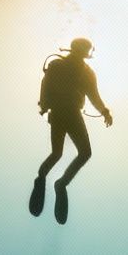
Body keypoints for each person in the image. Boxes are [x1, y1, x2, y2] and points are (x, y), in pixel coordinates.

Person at [29, 37, 112, 224]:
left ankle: (54, 181)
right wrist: (45, 106)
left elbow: (93, 96)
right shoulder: (61, 65)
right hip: (62, 112)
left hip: (67, 112)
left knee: (69, 153)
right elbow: (46, 85)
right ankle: (50, 180)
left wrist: (105, 111)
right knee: (66, 153)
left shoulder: (83, 72)